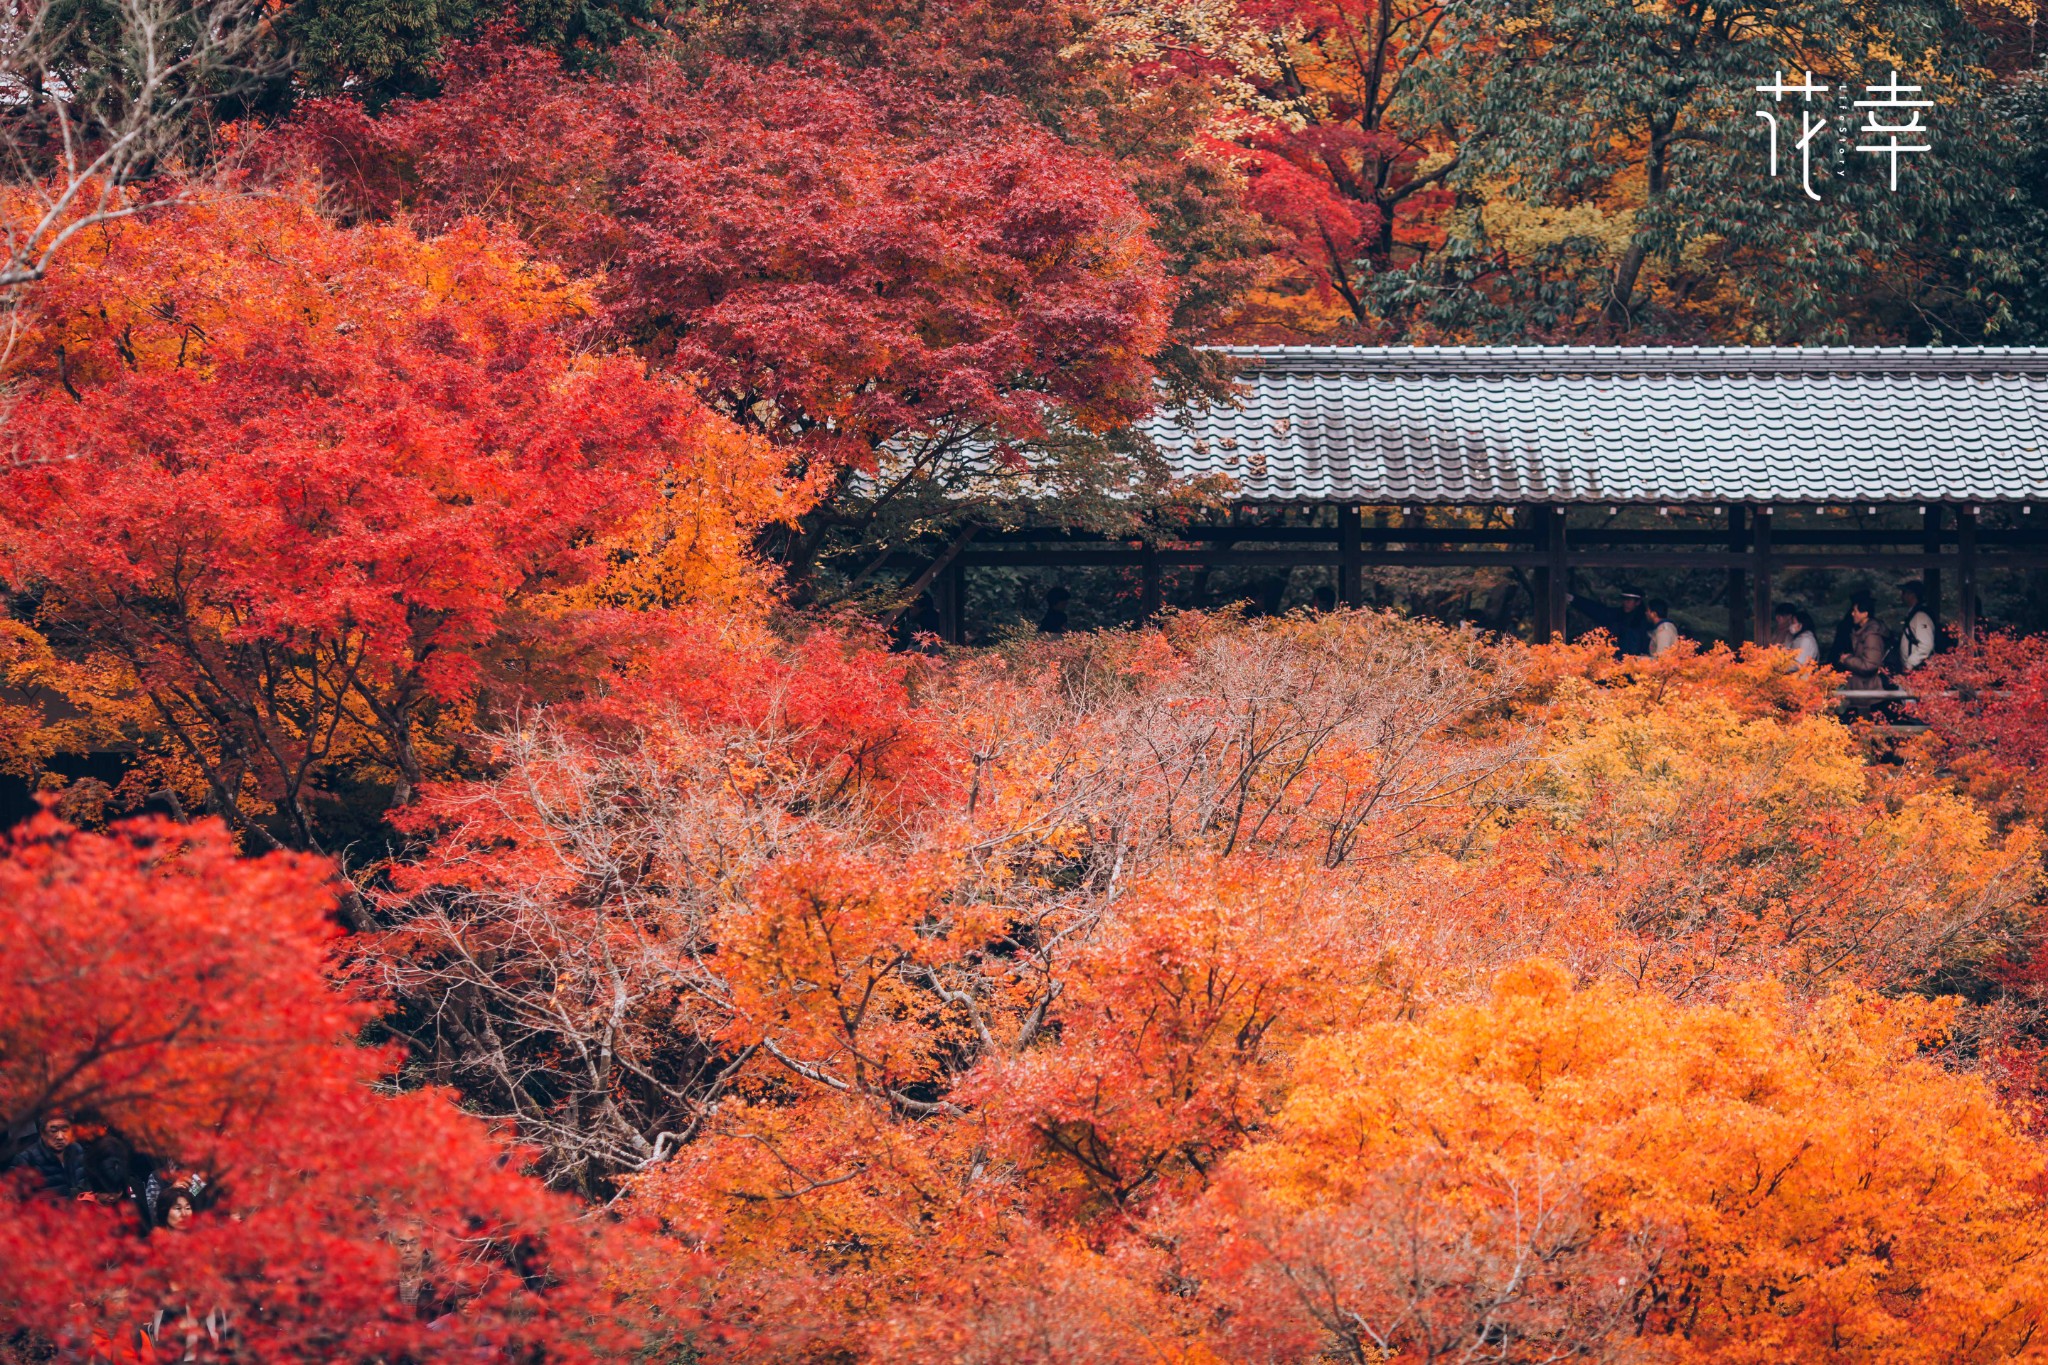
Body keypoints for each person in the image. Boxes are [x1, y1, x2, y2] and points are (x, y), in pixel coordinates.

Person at [10, 1113, 89, 1198]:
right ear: (42, 1134)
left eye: (65, 1130)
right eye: (53, 1131)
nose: (60, 1137)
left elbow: (86, 1183)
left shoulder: (76, 1149)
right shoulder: (27, 1158)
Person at [1569, 587, 1652, 655]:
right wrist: (1574, 600)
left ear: (1637, 602)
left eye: (1629, 600)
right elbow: (1597, 611)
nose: (1625, 603)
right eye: (1624, 600)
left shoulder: (1645, 621)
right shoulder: (1617, 615)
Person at [1837, 590, 1887, 689]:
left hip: (1869, 688)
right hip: (1863, 686)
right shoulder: (1863, 632)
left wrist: (1846, 659)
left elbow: (1869, 664)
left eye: (1855, 611)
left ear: (1864, 614)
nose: (1852, 614)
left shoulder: (1872, 635)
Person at [1897, 581, 1936, 673]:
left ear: (1912, 595)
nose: (1902, 596)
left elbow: (1926, 646)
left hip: (1918, 671)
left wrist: (1909, 664)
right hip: (1913, 671)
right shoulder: (1914, 614)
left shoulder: (1921, 616)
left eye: (1904, 592)